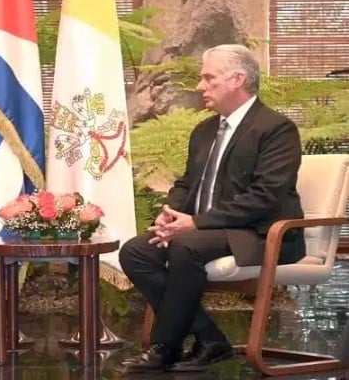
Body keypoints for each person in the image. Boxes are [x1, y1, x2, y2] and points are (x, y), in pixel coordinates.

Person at [118, 44, 306, 372]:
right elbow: (186, 184)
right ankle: (210, 338)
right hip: (207, 230)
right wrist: (170, 215)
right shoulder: (204, 131)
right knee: (137, 251)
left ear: (237, 79)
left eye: (208, 78)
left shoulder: (276, 129)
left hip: (259, 233)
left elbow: (266, 197)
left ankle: (166, 346)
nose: (199, 86)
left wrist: (195, 223)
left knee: (187, 245)